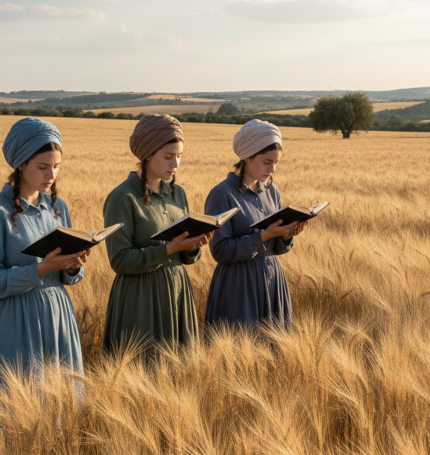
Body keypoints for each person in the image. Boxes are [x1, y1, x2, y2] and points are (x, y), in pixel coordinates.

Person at [0, 117, 90, 390]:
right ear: (21, 164)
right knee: (14, 404)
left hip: (58, 314)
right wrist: (40, 270)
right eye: (42, 167)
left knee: (61, 402)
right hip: (14, 320)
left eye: (56, 166)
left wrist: (73, 266)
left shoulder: (59, 207)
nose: (51, 174)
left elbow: (71, 277)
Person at [102, 114, 212, 352]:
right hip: (140, 299)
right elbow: (119, 260)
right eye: (168, 156)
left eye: (179, 156)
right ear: (147, 154)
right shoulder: (122, 198)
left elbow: (186, 257)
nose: (176, 164)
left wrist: (193, 247)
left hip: (178, 291)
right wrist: (170, 249)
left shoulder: (178, 194)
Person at [203, 119, 306, 331]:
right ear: (247, 156)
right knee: (238, 350)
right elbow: (220, 251)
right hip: (238, 285)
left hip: (272, 279)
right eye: (267, 161)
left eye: (276, 162)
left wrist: (286, 236)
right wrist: (264, 236)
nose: (273, 169)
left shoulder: (272, 191)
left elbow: (277, 248)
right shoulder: (222, 194)